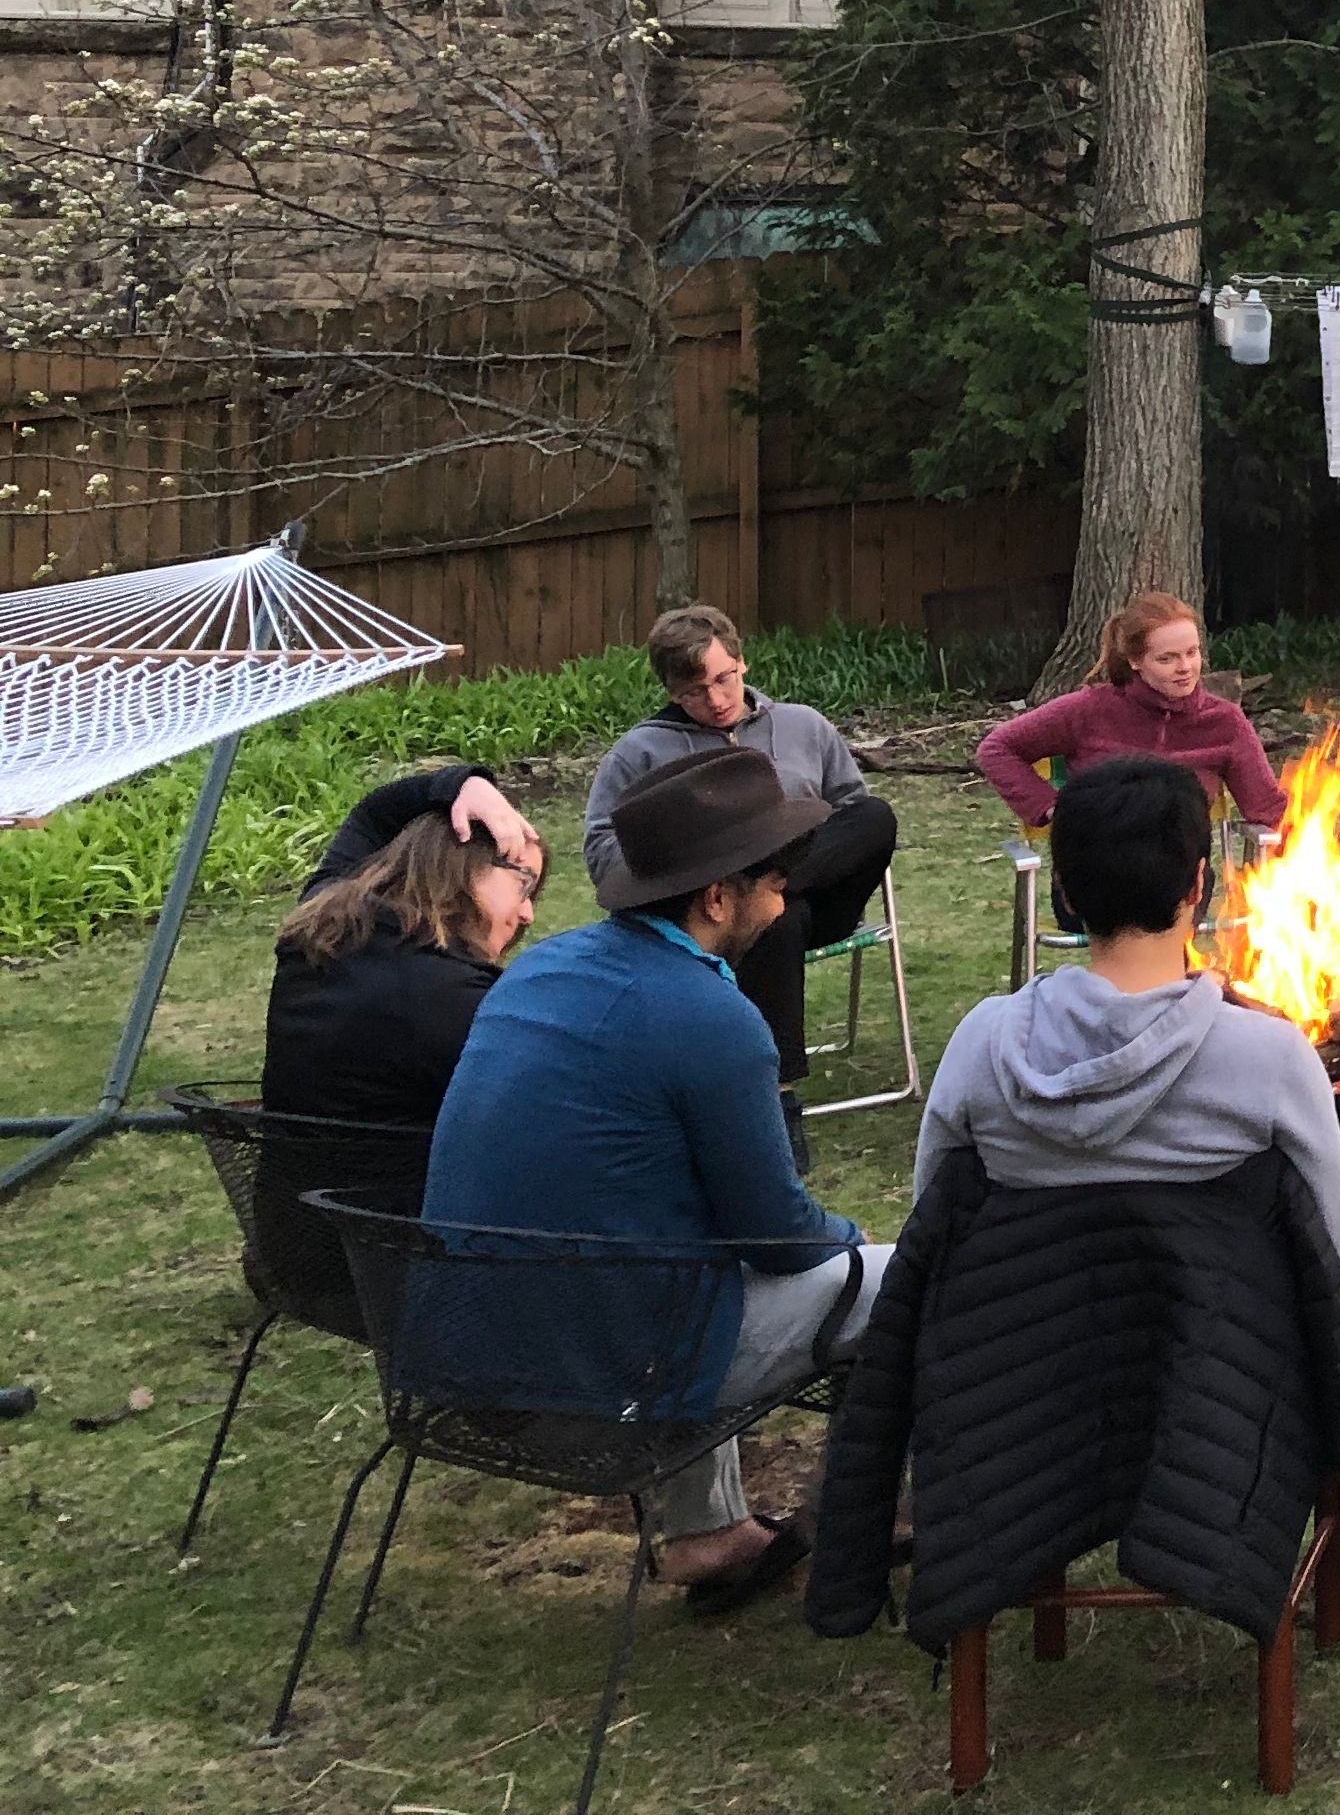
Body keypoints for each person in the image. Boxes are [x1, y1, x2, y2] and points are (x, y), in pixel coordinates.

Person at [426, 747, 891, 1612]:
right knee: (913, 1274)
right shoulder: (713, 1018)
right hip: (601, 1366)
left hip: (471, 1340)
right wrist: (851, 1240)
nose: (785, 902)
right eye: (777, 882)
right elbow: (780, 1237)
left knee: (678, 1246)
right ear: (719, 897)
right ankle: (890, 1518)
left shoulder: (543, 968)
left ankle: (709, 1533)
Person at [914, 754, 1340, 1400]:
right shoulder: (1270, 1055)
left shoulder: (983, 1040)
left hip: (1030, 1378)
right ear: (1198, 885)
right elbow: (1339, 1245)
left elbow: (937, 1212)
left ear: (1064, 891)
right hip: (1225, 1383)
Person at [588, 605, 902, 1096]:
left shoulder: (805, 726)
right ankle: (777, 1097)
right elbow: (602, 852)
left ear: (742, 662)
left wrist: (777, 873)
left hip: (819, 897)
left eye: (724, 679)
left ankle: (766, 883)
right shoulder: (640, 752)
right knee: (774, 920)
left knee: (874, 815)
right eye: (693, 691)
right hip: (721, 914)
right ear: (671, 692)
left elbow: (852, 813)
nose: (715, 700)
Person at [264, 764, 544, 1128]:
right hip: (410, 1184)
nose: (527, 914)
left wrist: (465, 785)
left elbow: (373, 816)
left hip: (291, 1182)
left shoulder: (318, 928)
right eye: (524, 885)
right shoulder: (460, 1002)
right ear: (465, 868)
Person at [971, 590, 1288, 847]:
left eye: (1192, 653)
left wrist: (1329, 849)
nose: (1185, 667)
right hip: (1095, 871)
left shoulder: (1224, 721)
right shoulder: (1088, 709)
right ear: (1135, 660)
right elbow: (996, 749)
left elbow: (1267, 808)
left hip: (1182, 878)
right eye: (1167, 658)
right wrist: (1052, 807)